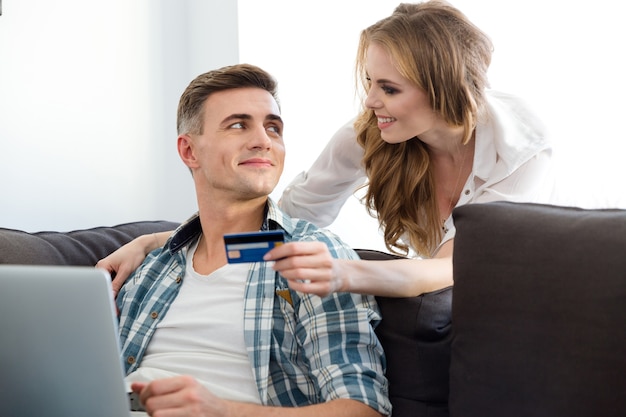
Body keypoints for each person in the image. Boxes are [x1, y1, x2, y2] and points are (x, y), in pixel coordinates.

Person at [98, 0, 553, 299]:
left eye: (390, 89)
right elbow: (283, 227)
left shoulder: (519, 149)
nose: (372, 101)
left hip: (549, 293)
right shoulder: (371, 134)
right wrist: (158, 242)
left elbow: (447, 270)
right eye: (371, 83)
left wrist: (342, 273)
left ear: (443, 89)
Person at [114, 63, 390, 416]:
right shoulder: (152, 267)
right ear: (189, 152)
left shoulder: (315, 258)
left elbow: (363, 410)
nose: (263, 140)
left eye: (273, 127)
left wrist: (222, 410)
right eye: (238, 124)